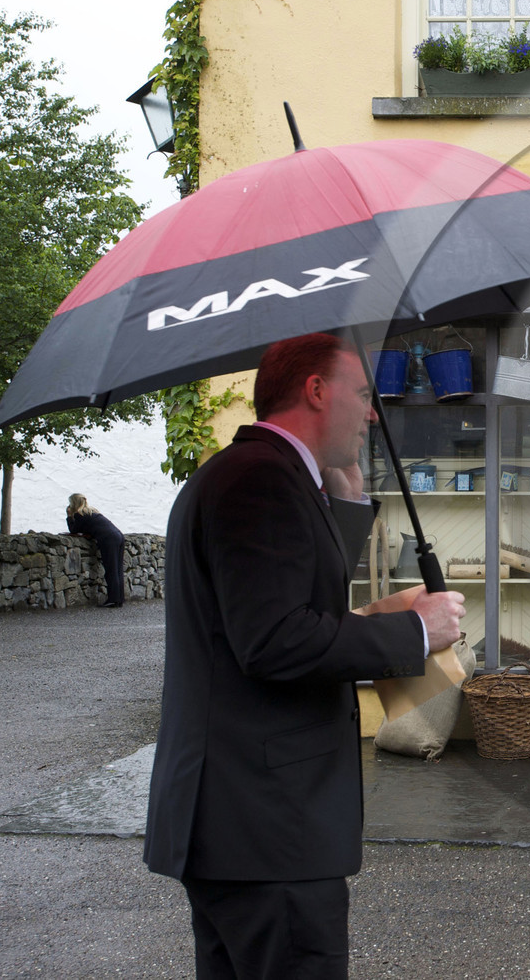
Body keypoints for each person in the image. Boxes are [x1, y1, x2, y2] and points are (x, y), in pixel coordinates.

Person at [143, 333, 466, 979]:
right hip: (268, 830)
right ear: (316, 391)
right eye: (361, 393)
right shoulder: (258, 481)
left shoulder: (257, 476)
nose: (372, 413)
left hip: (246, 830)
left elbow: (292, 603)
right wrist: (415, 635)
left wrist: (345, 501)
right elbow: (276, 641)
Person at [65, 493, 125, 607]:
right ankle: (119, 599)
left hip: (108, 539)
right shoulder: (92, 512)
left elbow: (74, 530)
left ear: (73, 503)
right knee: (117, 569)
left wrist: (69, 516)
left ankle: (113, 600)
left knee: (111, 569)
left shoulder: (80, 515)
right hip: (118, 536)